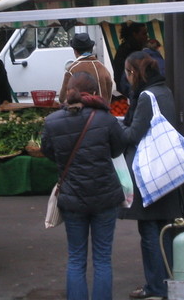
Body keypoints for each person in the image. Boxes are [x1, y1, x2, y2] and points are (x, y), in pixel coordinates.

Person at [41, 71, 126, 300]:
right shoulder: (106, 118)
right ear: (95, 92)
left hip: (72, 196)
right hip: (105, 195)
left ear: (68, 90)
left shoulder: (52, 122)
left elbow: (49, 151)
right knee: (102, 258)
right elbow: (118, 149)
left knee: (76, 258)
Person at [119, 51, 184, 300]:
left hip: (147, 171)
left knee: (149, 231)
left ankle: (156, 287)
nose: (126, 78)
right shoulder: (164, 91)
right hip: (165, 169)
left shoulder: (146, 97)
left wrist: (116, 125)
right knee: (164, 229)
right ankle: (166, 283)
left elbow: (133, 135)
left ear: (134, 73)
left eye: (127, 72)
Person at [59, 32, 113, 105]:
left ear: (75, 51)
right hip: (102, 112)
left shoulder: (72, 69)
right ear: (91, 49)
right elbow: (109, 92)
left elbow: (62, 98)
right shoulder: (103, 68)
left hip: (80, 113)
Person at [112, 22, 149, 96]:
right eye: (144, 34)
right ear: (135, 34)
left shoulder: (127, 49)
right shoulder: (128, 51)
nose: (147, 37)